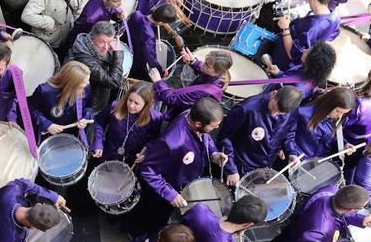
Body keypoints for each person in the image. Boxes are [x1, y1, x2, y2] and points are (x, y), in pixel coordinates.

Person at [136, 98, 228, 229]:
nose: (217, 128)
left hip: (183, 179)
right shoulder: (171, 142)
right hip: (164, 191)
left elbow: (205, 137)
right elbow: (147, 170)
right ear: (198, 124)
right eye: (213, 126)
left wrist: (213, 154)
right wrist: (170, 194)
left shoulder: (192, 115)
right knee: (151, 219)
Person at [217, 86, 300, 176]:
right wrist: (232, 169)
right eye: (273, 107)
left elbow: (289, 134)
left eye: (280, 113)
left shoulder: (291, 111)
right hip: (241, 165)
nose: (274, 113)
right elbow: (225, 138)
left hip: (266, 164)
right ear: (273, 93)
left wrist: (291, 153)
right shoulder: (246, 109)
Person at [273, 0, 340, 70]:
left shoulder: (312, 28)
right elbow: (332, 36)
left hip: (285, 61)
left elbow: (292, 55)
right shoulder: (335, 17)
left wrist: (285, 28)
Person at [90, 82, 161, 164]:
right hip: (106, 155)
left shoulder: (155, 118)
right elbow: (99, 121)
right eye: (130, 100)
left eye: (136, 103)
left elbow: (154, 139)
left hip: (130, 162)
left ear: (146, 105)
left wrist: (146, 150)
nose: (131, 105)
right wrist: (98, 142)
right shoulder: (115, 106)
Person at [284, 87, 356, 161]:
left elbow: (333, 137)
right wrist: (292, 152)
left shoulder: (339, 118)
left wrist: (345, 144)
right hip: (298, 160)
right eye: (338, 111)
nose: (340, 116)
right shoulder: (303, 113)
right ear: (329, 103)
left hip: (318, 162)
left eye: (344, 113)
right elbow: (288, 136)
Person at [28, 61, 92, 140]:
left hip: (72, 136)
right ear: (72, 83)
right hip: (47, 136)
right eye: (84, 82)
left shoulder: (86, 88)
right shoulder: (45, 90)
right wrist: (47, 124)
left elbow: (88, 107)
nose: (88, 83)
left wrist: (85, 117)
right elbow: (31, 108)